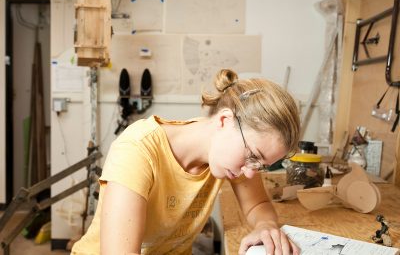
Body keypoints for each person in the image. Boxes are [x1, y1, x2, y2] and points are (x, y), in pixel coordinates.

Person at [71, 68, 301, 255]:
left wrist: (266, 227)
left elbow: (257, 206)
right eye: (253, 156)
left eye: (260, 165)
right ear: (224, 120)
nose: (251, 173)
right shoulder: (137, 149)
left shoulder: (232, 154)